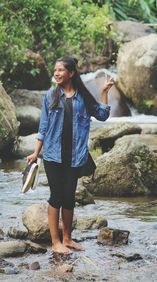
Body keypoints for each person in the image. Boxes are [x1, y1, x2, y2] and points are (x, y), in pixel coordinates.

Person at [27, 56, 113, 255]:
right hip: (52, 156)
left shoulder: (83, 96)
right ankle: (55, 242)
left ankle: (67, 238)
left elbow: (103, 115)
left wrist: (104, 93)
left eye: (60, 70)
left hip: (75, 156)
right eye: (55, 70)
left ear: (71, 73)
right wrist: (35, 153)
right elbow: (43, 127)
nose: (56, 73)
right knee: (56, 196)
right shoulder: (50, 95)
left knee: (69, 198)